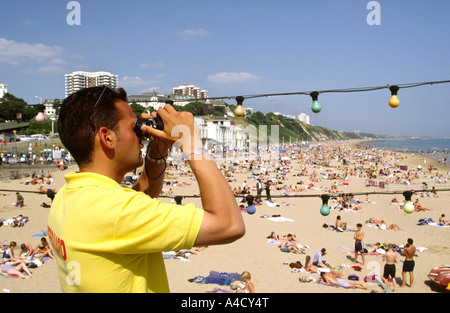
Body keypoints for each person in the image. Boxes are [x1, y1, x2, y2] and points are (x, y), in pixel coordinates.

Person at [47, 86, 245, 293]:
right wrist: (191, 143)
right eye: (135, 127)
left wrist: (157, 151)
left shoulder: (67, 196)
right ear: (107, 137)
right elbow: (229, 225)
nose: (142, 133)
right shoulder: (115, 210)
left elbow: (137, 203)